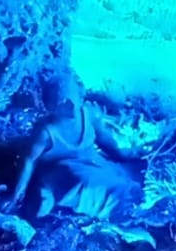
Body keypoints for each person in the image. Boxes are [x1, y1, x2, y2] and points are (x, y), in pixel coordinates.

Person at [7, 75, 140, 220]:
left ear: (80, 96)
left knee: (121, 180)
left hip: (91, 163)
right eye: (62, 102)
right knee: (86, 183)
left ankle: (130, 205)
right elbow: (28, 161)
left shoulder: (88, 114)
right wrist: (17, 193)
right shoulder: (46, 131)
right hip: (59, 171)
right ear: (51, 105)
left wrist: (122, 154)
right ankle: (113, 210)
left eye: (71, 100)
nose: (69, 106)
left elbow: (103, 139)